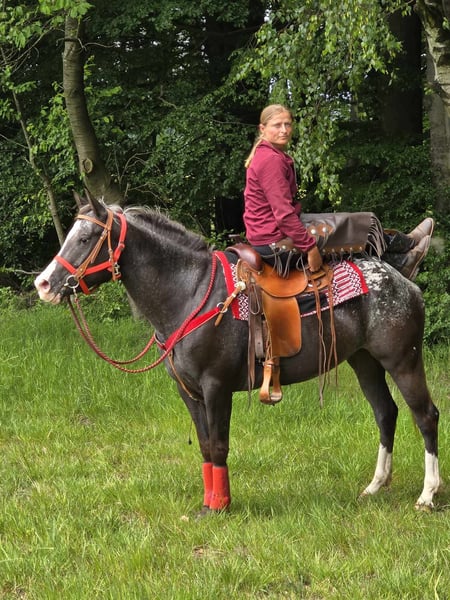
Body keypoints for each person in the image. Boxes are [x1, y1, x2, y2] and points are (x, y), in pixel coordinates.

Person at [243, 104, 433, 280]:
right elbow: (283, 215)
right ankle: (406, 249)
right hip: (274, 241)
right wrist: (310, 248)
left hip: (271, 233)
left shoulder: (270, 154)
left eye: (287, 124)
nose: (284, 130)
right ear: (262, 129)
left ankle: (402, 256)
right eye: (277, 125)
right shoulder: (271, 160)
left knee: (346, 222)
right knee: (355, 225)